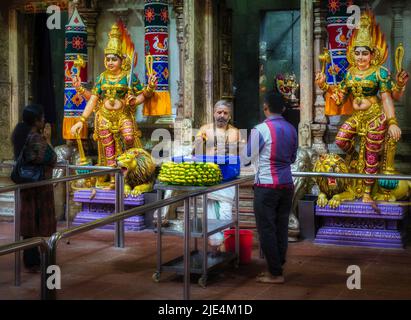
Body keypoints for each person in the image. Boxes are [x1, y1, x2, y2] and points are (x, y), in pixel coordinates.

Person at [315, 12, 409, 204]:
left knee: (372, 156)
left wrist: (392, 122)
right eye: (357, 52)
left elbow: (387, 98)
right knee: (341, 140)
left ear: (372, 54)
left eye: (364, 53)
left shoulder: (379, 73)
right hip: (357, 118)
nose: (360, 57)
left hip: (375, 117)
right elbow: (340, 98)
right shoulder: (349, 73)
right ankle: (355, 159)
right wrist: (324, 86)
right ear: (352, 54)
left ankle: (366, 192)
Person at [70, 22, 157, 187]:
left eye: (113, 59)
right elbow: (94, 99)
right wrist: (82, 119)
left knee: (129, 138)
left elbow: (141, 97)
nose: (110, 62)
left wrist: (146, 90)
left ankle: (130, 175)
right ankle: (112, 179)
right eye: (108, 59)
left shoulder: (128, 77)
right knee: (108, 149)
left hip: (123, 115)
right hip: (104, 116)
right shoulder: (102, 77)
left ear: (121, 60)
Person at [244, 92, 297, 284]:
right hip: (287, 185)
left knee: (266, 229)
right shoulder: (292, 129)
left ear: (265, 107)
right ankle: (277, 266)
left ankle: (275, 273)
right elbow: (292, 158)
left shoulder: (260, 129)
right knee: (281, 227)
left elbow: (246, 157)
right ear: (283, 109)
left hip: (266, 186)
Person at [11, 104, 57, 273]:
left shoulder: (20, 133)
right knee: (37, 221)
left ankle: (31, 257)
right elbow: (51, 157)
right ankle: (35, 259)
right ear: (36, 121)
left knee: (29, 222)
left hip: (27, 183)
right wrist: (48, 139)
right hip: (38, 186)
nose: (44, 120)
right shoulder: (36, 138)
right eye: (42, 118)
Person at [193, 100, 243, 253]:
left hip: (227, 178)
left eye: (225, 113)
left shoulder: (234, 132)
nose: (221, 116)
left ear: (230, 115)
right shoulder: (204, 129)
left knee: (226, 211)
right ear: (214, 113)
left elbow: (235, 152)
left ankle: (224, 245)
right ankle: (215, 245)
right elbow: (196, 151)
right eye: (219, 112)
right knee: (209, 212)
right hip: (209, 178)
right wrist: (203, 147)